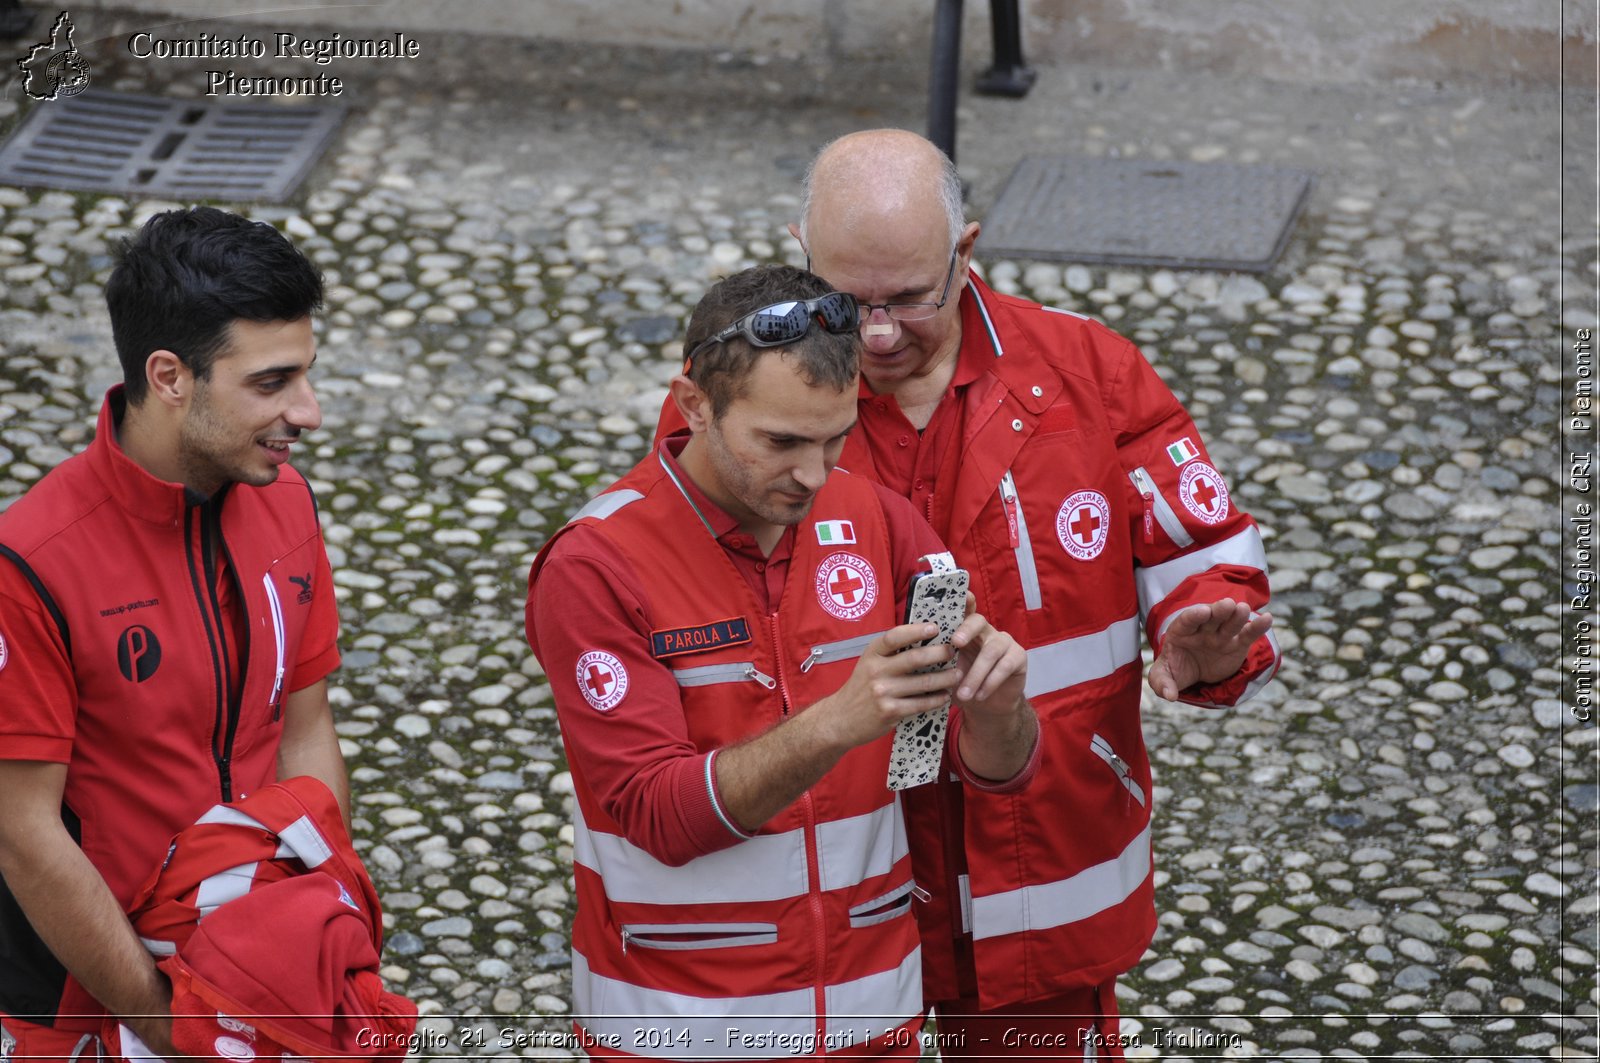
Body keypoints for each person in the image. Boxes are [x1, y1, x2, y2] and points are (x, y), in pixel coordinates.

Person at [659, 130, 1281, 1058]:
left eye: (910, 297)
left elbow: (1206, 544)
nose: (875, 333)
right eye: (845, 299)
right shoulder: (739, 395)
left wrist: (1211, 631)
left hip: (1048, 852)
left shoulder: (1091, 372)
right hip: (839, 873)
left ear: (969, 251)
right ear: (799, 249)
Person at [526, 264, 1039, 1060]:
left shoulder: (877, 518)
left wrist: (1002, 711)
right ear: (694, 402)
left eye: (836, 438)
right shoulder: (596, 564)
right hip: (683, 1027)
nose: (814, 474)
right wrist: (837, 722)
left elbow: (983, 774)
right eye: (782, 441)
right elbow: (655, 814)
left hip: (875, 1021)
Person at [0, 206, 348, 1061]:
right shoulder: (30, 563)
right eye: (271, 383)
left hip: (251, 968)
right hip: (80, 995)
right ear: (168, 376)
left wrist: (324, 919)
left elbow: (305, 731)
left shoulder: (288, 501)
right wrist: (167, 1024)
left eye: (305, 374)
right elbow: (23, 832)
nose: (308, 411)